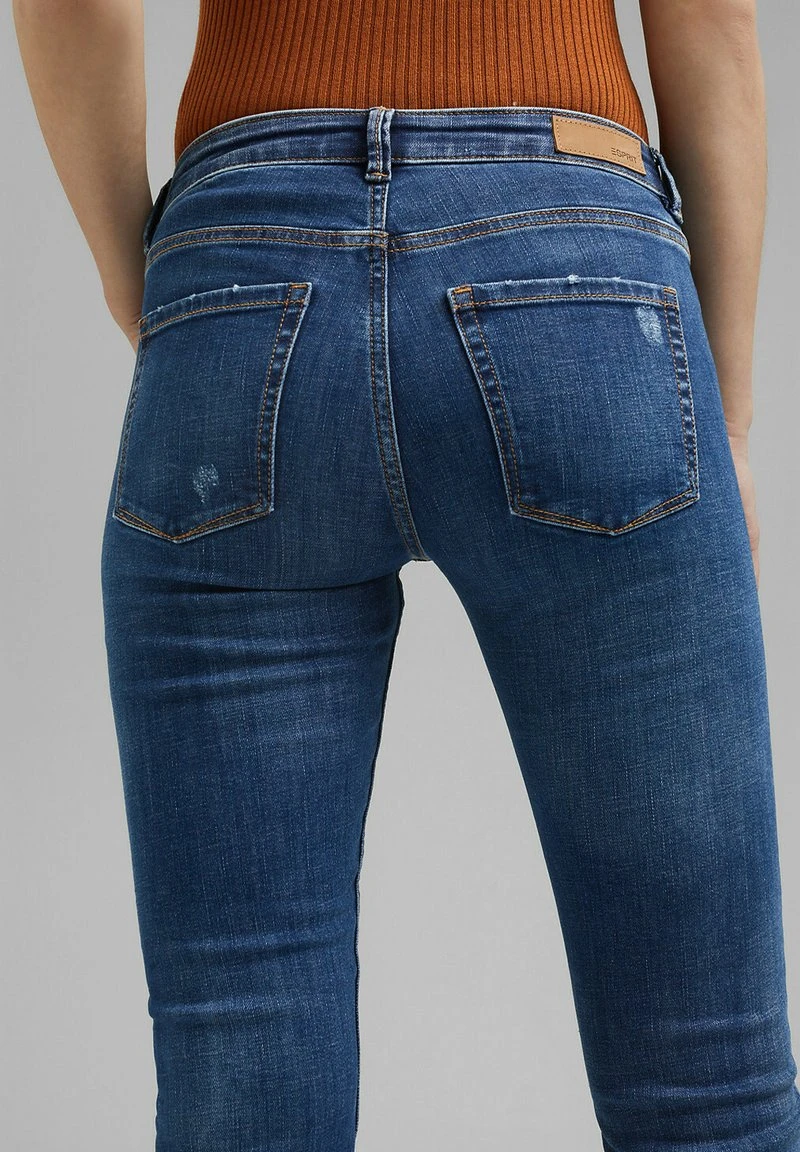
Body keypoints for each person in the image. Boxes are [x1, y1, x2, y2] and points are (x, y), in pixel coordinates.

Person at [13, 1, 800, 1149]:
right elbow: (712, 29)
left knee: (242, 1072)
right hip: (575, 261)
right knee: (706, 1081)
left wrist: (152, 288)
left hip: (246, 259)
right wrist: (723, 419)